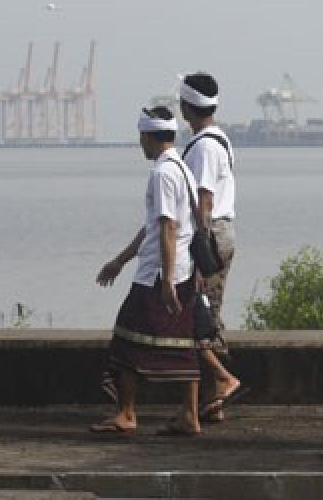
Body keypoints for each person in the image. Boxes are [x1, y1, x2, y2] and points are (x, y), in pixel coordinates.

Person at [91, 106, 201, 436]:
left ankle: (126, 413)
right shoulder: (181, 168)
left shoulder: (163, 174)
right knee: (183, 343)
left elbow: (167, 227)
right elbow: (153, 226)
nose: (140, 144)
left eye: (141, 137)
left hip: (158, 273)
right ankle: (190, 415)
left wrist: (165, 278)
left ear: (150, 137)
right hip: (179, 268)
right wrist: (120, 261)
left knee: (126, 339)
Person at [178, 73, 244, 424]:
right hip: (223, 231)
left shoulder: (203, 146)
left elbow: (203, 201)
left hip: (210, 233)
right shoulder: (221, 140)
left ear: (186, 106)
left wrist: (199, 253)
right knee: (208, 314)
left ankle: (222, 382)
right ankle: (212, 403)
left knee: (195, 316)